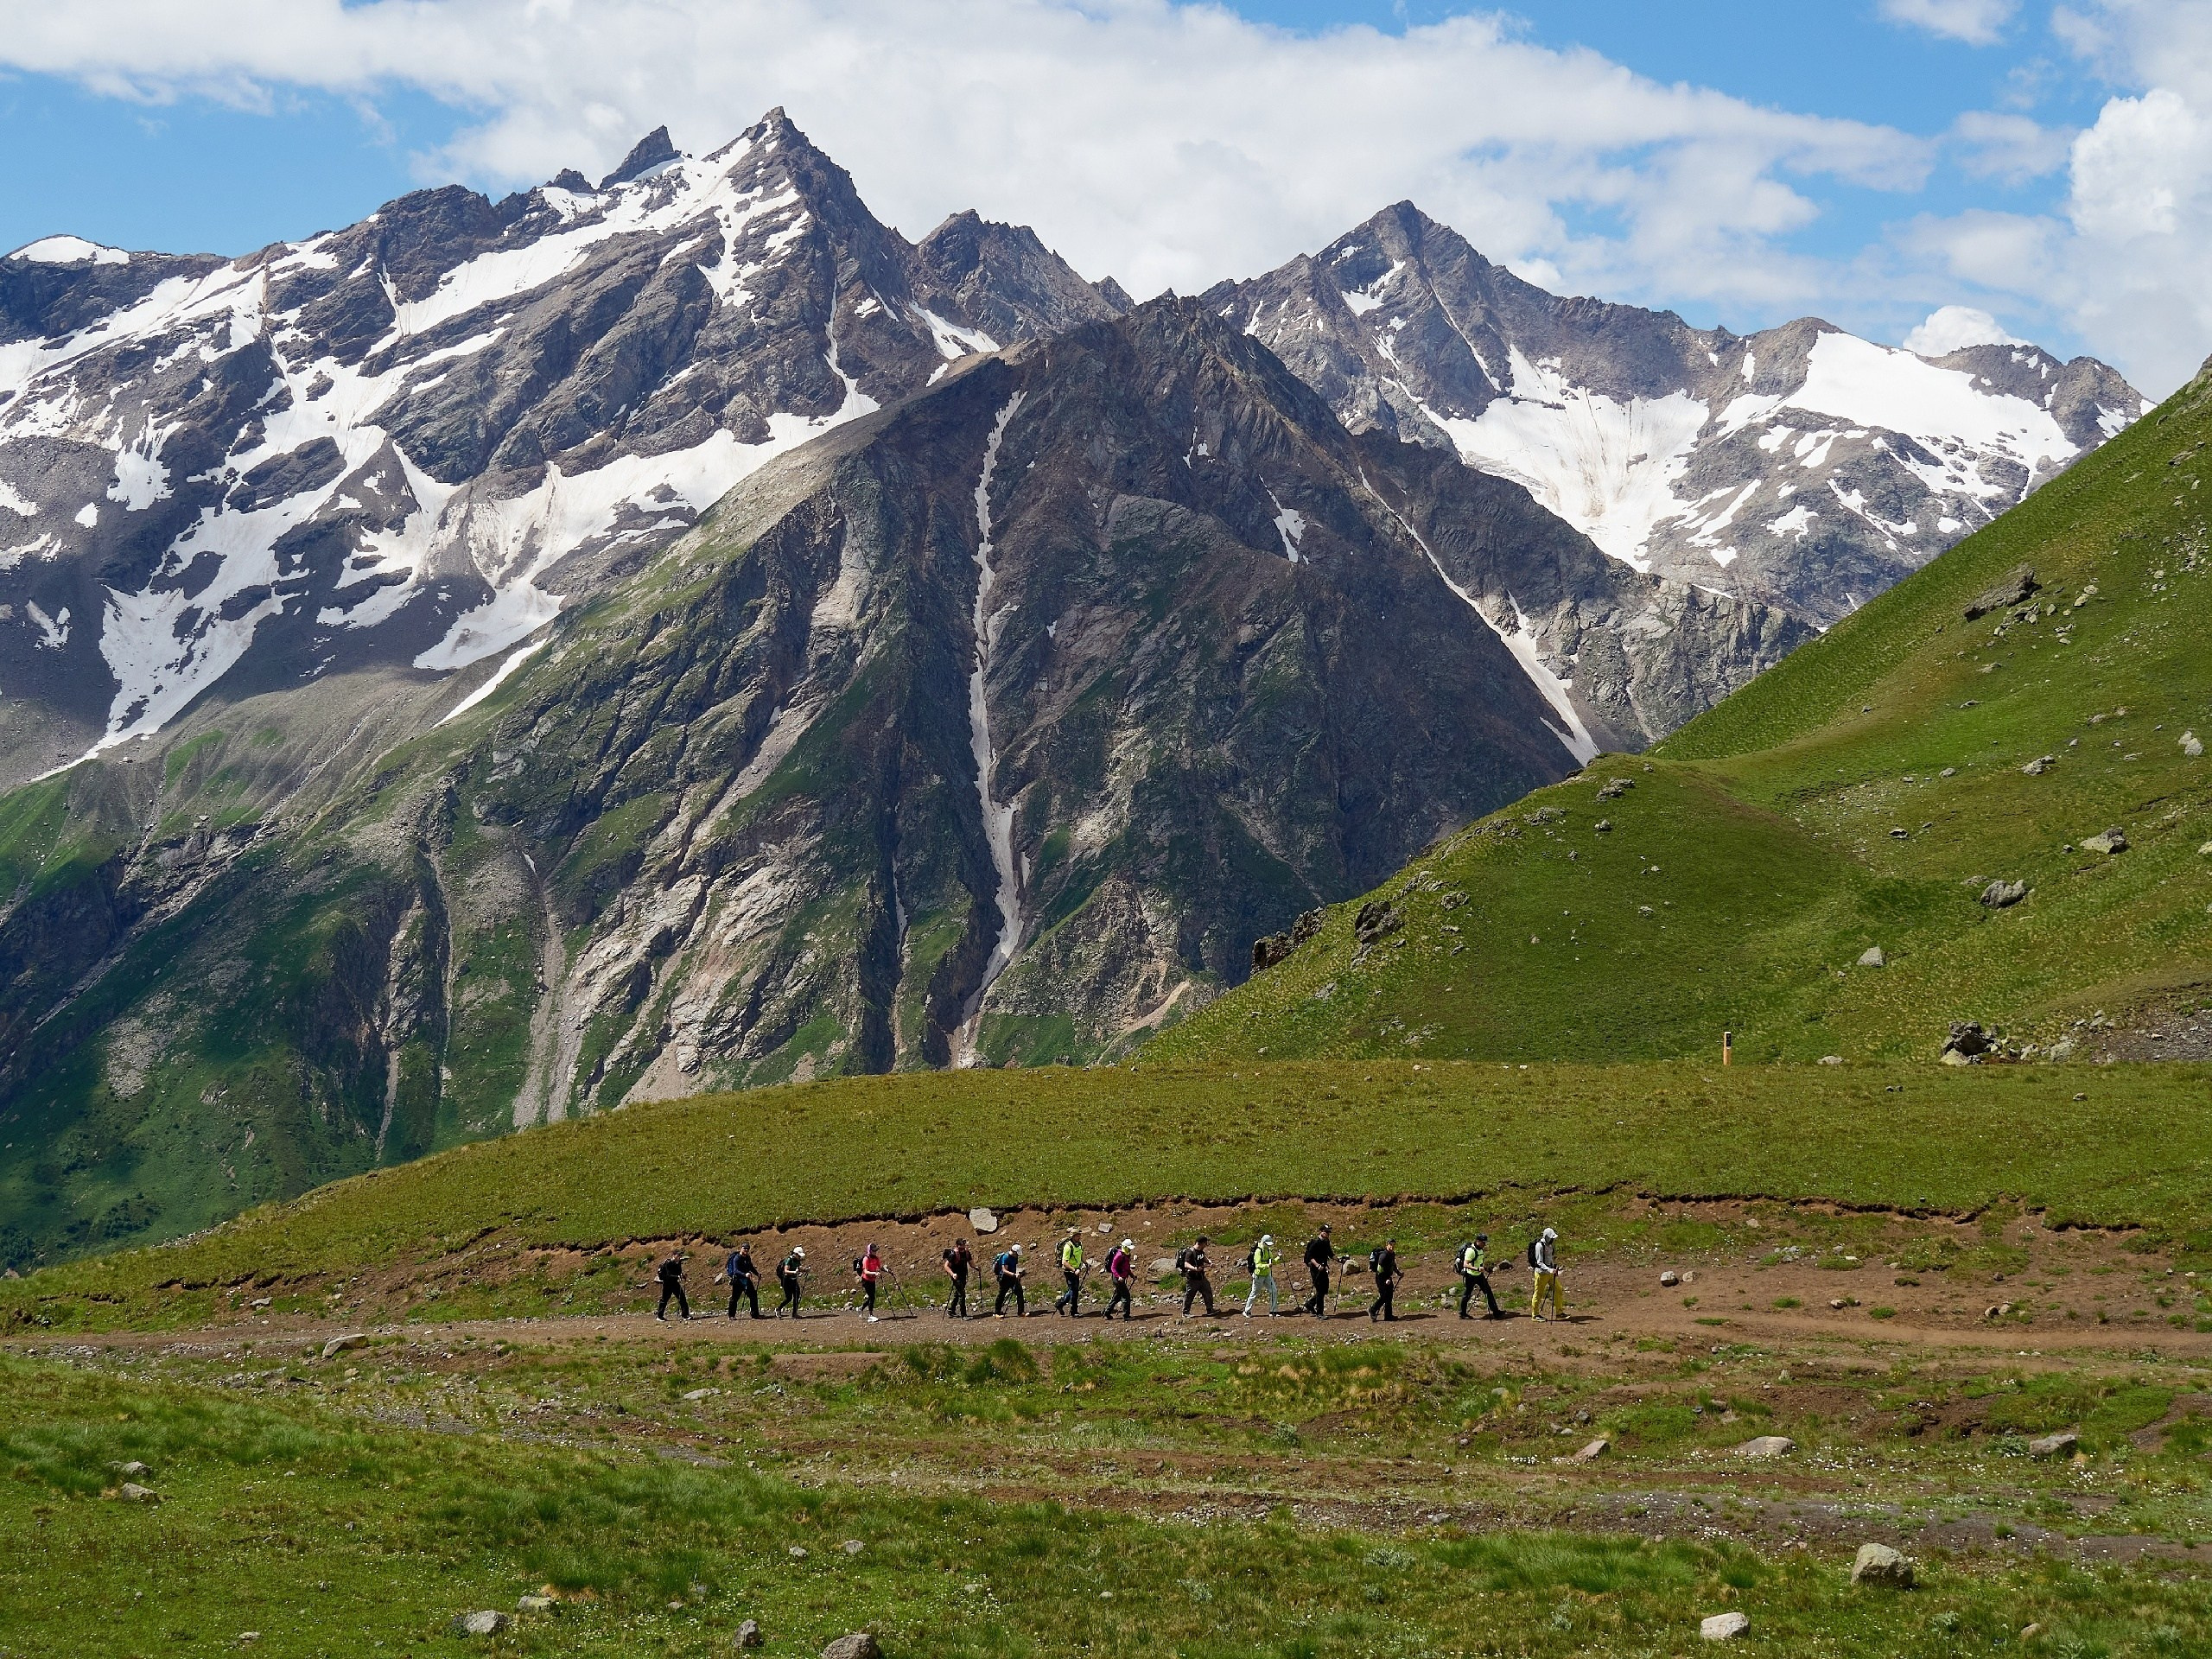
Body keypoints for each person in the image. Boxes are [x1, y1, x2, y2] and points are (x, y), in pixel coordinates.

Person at [1457, 1234, 1500, 1319]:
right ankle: (1462, 1313)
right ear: (1478, 1241)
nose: (1485, 1244)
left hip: (1479, 1275)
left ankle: (1496, 1312)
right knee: (1467, 1294)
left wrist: (1486, 1269)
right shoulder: (1471, 1251)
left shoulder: (1480, 1249)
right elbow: (1465, 1264)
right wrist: (1477, 1269)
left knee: (1488, 1292)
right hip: (1470, 1276)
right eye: (1483, 1243)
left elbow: (1479, 1262)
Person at [1179, 1236, 1219, 1319]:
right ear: (1202, 1243)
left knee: (1207, 1291)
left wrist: (1209, 1262)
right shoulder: (1190, 1252)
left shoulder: (1200, 1251)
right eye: (1205, 1243)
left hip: (1201, 1277)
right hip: (1192, 1279)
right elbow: (1186, 1264)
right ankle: (1185, 1312)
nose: (1206, 1245)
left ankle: (1210, 1310)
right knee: (1190, 1295)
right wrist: (1195, 1269)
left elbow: (1203, 1257)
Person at [720, 1242, 761, 1319]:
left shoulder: (747, 1257)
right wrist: (744, 1274)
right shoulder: (737, 1258)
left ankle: (755, 1314)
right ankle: (731, 1315)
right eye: (744, 1248)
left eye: (747, 1249)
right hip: (738, 1281)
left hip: (746, 1280)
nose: (746, 1250)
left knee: (753, 1296)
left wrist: (757, 1274)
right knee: (735, 1298)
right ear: (741, 1248)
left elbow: (751, 1267)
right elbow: (735, 1270)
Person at [1529, 1227, 1563, 1322]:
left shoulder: (1550, 1246)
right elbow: (1539, 1262)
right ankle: (1535, 1315)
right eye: (1552, 1238)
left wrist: (1553, 1269)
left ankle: (1559, 1313)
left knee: (1558, 1289)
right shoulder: (1539, 1246)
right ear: (1547, 1237)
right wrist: (1549, 1270)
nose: (1553, 1240)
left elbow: (1550, 1258)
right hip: (1541, 1274)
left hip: (1550, 1272)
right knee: (1538, 1294)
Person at [1243, 1234, 1280, 1317]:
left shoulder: (1268, 1250)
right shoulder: (1258, 1252)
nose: (1268, 1246)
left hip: (1267, 1274)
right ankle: (1247, 1311)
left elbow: (1272, 1261)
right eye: (1267, 1244)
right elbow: (1258, 1265)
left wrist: (1279, 1257)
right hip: (1258, 1275)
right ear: (1263, 1242)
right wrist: (1267, 1266)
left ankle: (1273, 1311)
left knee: (1274, 1291)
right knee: (1254, 1293)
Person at [1302, 1225, 1335, 1316]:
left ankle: (1310, 1304)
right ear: (1321, 1232)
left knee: (1324, 1290)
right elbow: (1310, 1257)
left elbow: (1330, 1254)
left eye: (1329, 1232)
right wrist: (1317, 1265)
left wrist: (1340, 1260)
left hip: (1323, 1268)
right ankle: (1320, 1313)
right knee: (1320, 1290)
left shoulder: (1326, 1242)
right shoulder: (1315, 1243)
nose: (1328, 1234)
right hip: (1316, 1269)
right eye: (1326, 1232)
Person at [1368, 1238, 1401, 1323]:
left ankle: (1388, 1316)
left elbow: (1393, 1264)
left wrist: (1398, 1273)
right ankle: (1372, 1309)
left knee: (1389, 1296)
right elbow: (1379, 1269)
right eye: (1390, 1245)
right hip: (1381, 1278)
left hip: (1388, 1278)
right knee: (1384, 1296)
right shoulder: (1384, 1255)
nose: (1392, 1246)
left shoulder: (1392, 1254)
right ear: (1387, 1245)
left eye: (1393, 1245)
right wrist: (1386, 1279)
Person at [1103, 1238, 1135, 1320]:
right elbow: (1113, 1268)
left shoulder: (1126, 1255)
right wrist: (1119, 1277)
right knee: (1126, 1295)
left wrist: (1132, 1275)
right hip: (1117, 1279)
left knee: (1117, 1296)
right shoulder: (1119, 1255)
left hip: (1121, 1278)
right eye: (1129, 1248)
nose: (1130, 1250)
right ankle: (1126, 1315)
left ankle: (1107, 1312)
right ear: (1125, 1247)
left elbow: (1126, 1267)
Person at [1055, 1230, 1085, 1316]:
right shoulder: (1068, 1247)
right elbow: (1064, 1262)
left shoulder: (1079, 1244)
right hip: (1069, 1271)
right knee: (1074, 1291)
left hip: (1076, 1270)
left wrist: (1085, 1263)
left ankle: (1060, 1304)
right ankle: (1073, 1311)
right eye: (1077, 1236)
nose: (1079, 1237)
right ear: (1073, 1236)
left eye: (1079, 1235)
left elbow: (1081, 1254)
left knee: (1073, 1290)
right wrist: (1074, 1270)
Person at [654, 1250, 690, 1321]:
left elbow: (679, 1271)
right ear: (673, 1255)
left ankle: (685, 1315)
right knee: (664, 1299)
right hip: (667, 1283)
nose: (679, 1257)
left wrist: (682, 1276)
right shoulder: (668, 1263)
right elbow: (668, 1275)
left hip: (675, 1283)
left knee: (682, 1298)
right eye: (678, 1255)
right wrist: (677, 1276)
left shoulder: (679, 1262)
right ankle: (660, 1316)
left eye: (680, 1255)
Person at [942, 1238, 973, 1319]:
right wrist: (952, 1274)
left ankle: (951, 1311)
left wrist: (976, 1268)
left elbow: (971, 1263)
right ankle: (964, 1315)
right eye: (960, 1246)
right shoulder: (953, 1254)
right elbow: (946, 1266)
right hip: (956, 1277)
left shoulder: (967, 1253)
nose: (962, 1248)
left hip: (963, 1276)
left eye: (963, 1246)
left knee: (957, 1294)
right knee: (962, 1295)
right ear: (957, 1246)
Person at [994, 1243, 1027, 1317]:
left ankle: (1021, 1312)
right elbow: (1004, 1270)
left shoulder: (1015, 1257)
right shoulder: (1006, 1257)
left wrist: (1017, 1274)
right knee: (1002, 1294)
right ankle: (997, 1313)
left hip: (1013, 1278)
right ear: (1014, 1252)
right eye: (1017, 1254)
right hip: (1004, 1279)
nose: (1017, 1256)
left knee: (1019, 1292)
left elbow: (1014, 1267)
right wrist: (1014, 1275)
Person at [855, 1243, 884, 1320]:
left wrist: (887, 1270)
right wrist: (874, 1273)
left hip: (872, 1280)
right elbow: (866, 1271)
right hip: (866, 1280)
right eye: (874, 1251)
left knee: (872, 1297)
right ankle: (870, 1315)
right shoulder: (866, 1259)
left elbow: (880, 1267)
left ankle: (861, 1308)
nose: (875, 1252)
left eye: (876, 1251)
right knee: (872, 1297)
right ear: (870, 1251)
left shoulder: (876, 1258)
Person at [777, 1245, 806, 1318]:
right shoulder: (789, 1260)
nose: (800, 1257)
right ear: (795, 1254)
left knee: (796, 1295)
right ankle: (778, 1309)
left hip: (794, 1280)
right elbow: (786, 1271)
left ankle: (794, 1313)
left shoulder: (797, 1260)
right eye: (799, 1255)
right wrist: (794, 1272)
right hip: (787, 1280)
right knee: (789, 1298)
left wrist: (805, 1270)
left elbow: (798, 1268)